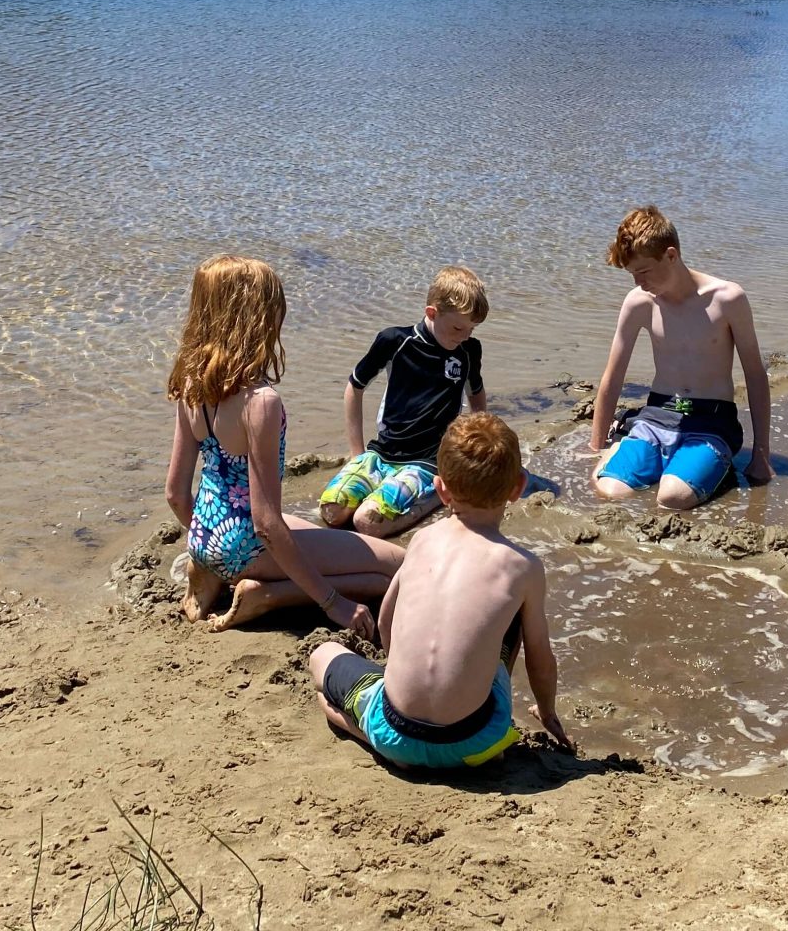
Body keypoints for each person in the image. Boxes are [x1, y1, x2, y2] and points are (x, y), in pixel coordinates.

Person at [309, 413, 570, 768]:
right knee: (512, 616)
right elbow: (540, 658)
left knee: (322, 653)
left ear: (441, 489)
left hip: (395, 733)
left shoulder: (421, 540)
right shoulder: (523, 567)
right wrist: (547, 710)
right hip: (477, 740)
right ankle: (469, 704)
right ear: (518, 487)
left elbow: (387, 620)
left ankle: (364, 729)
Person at [163, 254, 405, 634]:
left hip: (203, 533)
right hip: (249, 542)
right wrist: (334, 604)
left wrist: (208, 542)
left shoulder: (191, 385)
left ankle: (214, 570)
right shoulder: (260, 402)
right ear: (257, 321)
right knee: (394, 569)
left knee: (329, 543)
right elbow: (266, 524)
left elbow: (176, 494)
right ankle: (268, 595)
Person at [588, 205, 772, 509]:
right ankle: (622, 443)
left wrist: (761, 455)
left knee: (672, 496)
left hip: (711, 422)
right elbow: (613, 375)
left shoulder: (727, 299)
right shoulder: (639, 303)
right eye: (632, 274)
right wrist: (596, 446)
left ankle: (713, 465)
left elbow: (754, 374)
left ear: (671, 255)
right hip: (657, 415)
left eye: (644, 272)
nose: (638, 282)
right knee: (610, 491)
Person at [318, 266, 489, 538]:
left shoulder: (468, 351)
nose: (465, 336)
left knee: (367, 521)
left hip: (427, 461)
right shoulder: (395, 341)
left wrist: (479, 448)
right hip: (381, 453)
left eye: (471, 329)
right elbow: (354, 387)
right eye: (458, 327)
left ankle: (440, 488)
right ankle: (383, 486)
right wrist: (357, 452)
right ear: (432, 313)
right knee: (332, 509)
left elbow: (476, 394)